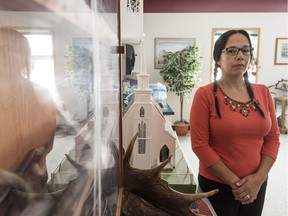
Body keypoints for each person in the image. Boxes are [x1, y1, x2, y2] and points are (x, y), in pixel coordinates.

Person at [190, 29, 280, 216]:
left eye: (245, 50)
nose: (240, 56)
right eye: (232, 51)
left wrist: (258, 178)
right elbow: (200, 145)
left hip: (257, 185)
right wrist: (237, 184)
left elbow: (273, 139)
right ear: (218, 57)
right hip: (216, 185)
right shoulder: (205, 95)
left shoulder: (263, 92)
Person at [0, 27, 56, 191]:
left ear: (25, 57)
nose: (6, 56)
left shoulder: (40, 93)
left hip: (29, 183)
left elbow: (45, 143)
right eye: (2, 49)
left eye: (13, 51)